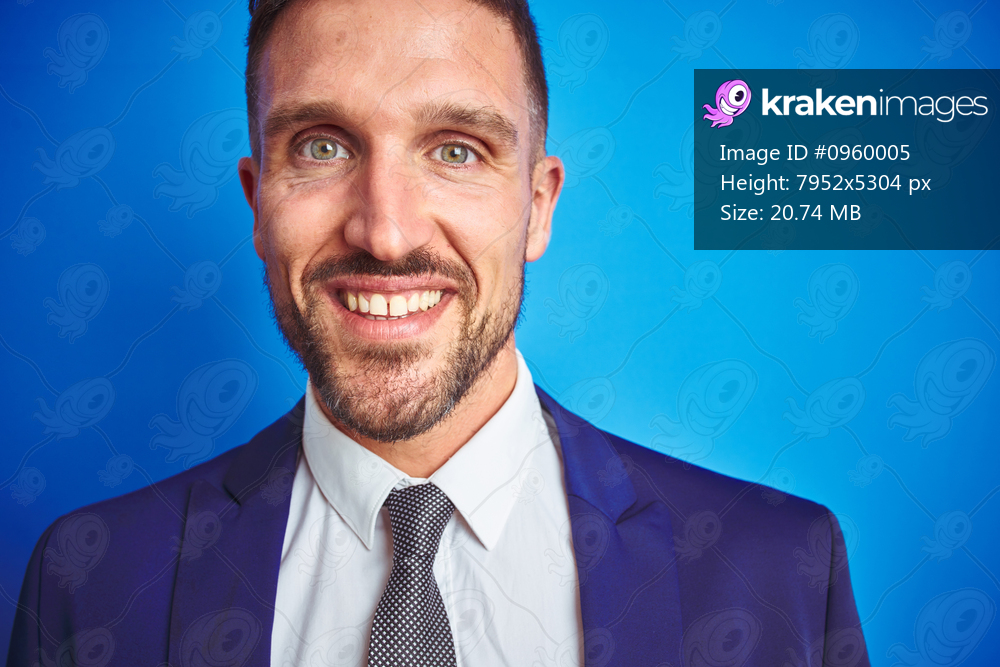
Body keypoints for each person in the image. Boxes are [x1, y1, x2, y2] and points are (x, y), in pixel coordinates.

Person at [7, 0, 870, 665]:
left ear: (537, 206)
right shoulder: (89, 579)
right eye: (320, 146)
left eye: (456, 149)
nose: (386, 233)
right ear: (257, 202)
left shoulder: (781, 570)